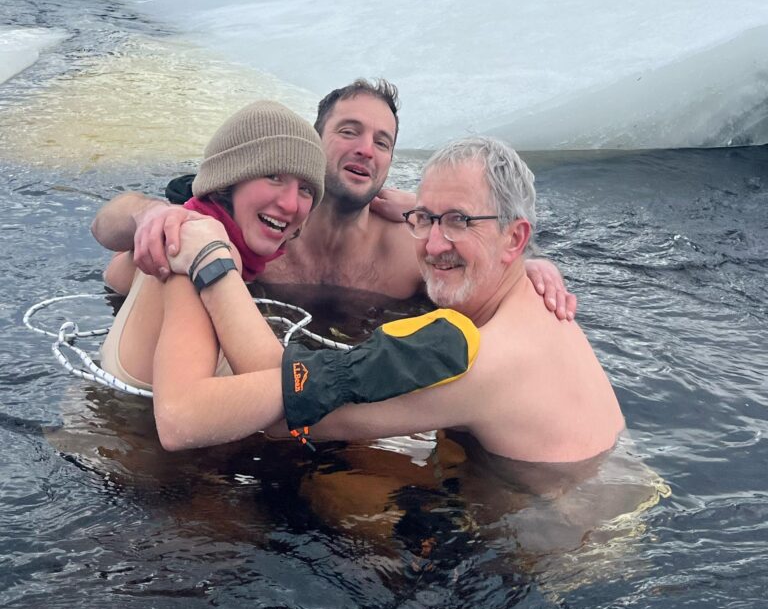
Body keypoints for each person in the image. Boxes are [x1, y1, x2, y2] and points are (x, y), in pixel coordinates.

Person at [156, 137, 624, 463]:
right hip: (605, 502)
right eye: (426, 219)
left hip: (552, 564)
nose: (434, 243)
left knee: (336, 487)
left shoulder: (482, 362)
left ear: (515, 238)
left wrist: (211, 261)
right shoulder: (529, 302)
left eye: (459, 220)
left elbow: (281, 410)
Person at [91, 79, 577, 318]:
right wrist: (152, 216)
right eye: (349, 131)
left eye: (382, 142)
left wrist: (523, 267)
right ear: (313, 141)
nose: (366, 148)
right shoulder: (255, 225)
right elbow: (110, 234)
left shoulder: (406, 248)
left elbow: (473, 256)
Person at [99, 100, 326, 390]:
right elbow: (284, 393)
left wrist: (146, 214)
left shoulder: (169, 232)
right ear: (230, 178)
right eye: (273, 176)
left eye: (305, 189)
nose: (290, 204)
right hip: (122, 430)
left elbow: (110, 260)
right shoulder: (203, 247)